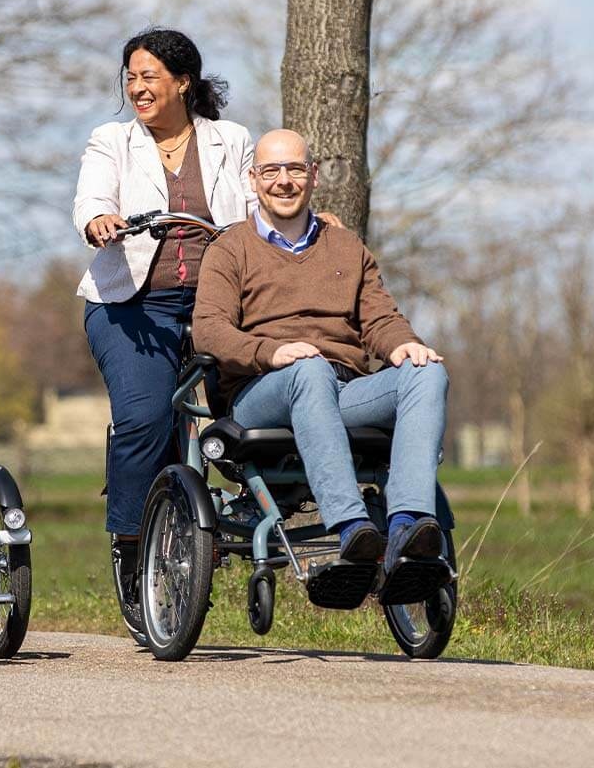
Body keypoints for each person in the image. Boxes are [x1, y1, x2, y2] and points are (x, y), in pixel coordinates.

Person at [192, 128, 449, 603]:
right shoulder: (230, 249)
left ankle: (409, 526)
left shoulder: (346, 248)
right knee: (308, 369)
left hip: (338, 387)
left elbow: (381, 319)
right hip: (259, 393)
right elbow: (209, 330)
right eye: (272, 170)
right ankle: (351, 525)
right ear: (254, 179)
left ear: (312, 177)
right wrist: (271, 352)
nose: (284, 181)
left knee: (427, 371)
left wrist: (404, 346)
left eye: (294, 169)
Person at [72, 28, 260, 632]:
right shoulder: (113, 141)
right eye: (130, 76)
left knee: (256, 413)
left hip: (218, 305)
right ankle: (131, 544)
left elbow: (260, 207)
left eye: (149, 76)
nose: (136, 87)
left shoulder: (230, 140)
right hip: (132, 306)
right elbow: (90, 197)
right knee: (143, 418)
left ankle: (253, 525)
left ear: (183, 81)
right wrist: (99, 218)